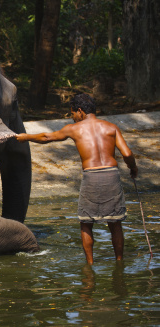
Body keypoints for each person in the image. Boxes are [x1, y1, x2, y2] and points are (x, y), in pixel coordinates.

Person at [16, 93, 138, 264]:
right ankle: (119, 261)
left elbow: (47, 137)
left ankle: (90, 264)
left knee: (86, 223)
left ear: (80, 111)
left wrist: (25, 137)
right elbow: (127, 153)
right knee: (115, 222)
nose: (72, 117)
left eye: (72, 113)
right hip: (111, 174)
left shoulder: (74, 129)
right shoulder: (111, 127)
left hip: (91, 176)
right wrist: (133, 168)